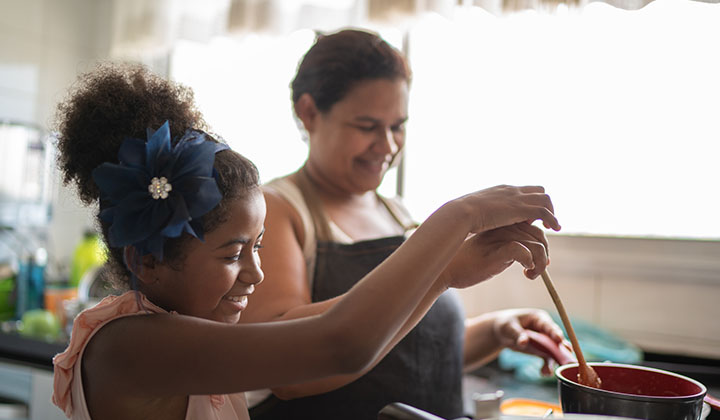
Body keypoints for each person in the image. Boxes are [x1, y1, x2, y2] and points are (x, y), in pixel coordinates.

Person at [49, 62, 560, 420]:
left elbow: (344, 332)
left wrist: (445, 271)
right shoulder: (132, 345)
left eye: (257, 246)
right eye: (233, 253)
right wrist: (458, 217)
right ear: (149, 260)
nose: (256, 272)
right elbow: (339, 344)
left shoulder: (174, 331)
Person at [240, 28, 567, 420]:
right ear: (309, 113)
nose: (388, 145)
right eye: (367, 126)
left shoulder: (394, 212)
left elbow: (407, 351)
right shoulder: (279, 210)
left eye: (397, 126)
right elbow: (287, 370)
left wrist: (496, 330)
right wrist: (444, 267)